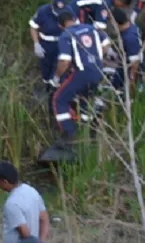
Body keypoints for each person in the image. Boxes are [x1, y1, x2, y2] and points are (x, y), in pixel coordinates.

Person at [41, 11, 111, 162]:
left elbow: (64, 62)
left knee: (59, 99)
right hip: (98, 71)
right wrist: (97, 58)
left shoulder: (65, 35)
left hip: (82, 73)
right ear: (75, 19)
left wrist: (56, 78)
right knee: (85, 100)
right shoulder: (91, 28)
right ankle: (87, 131)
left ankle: (68, 135)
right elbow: (106, 45)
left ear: (60, 25)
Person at [0, 161, 50, 243]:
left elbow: (25, 233)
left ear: (5, 182)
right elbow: (44, 219)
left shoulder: (11, 204)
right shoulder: (32, 191)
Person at [29, 0, 76, 90]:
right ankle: (46, 85)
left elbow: (76, 28)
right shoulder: (43, 11)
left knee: (60, 67)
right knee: (46, 68)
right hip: (46, 44)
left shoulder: (69, 11)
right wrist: (36, 44)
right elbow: (33, 27)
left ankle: (56, 89)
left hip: (63, 43)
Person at [109, 7, 144, 96]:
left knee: (117, 91)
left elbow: (135, 63)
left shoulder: (130, 38)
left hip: (130, 68)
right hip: (125, 62)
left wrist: (131, 82)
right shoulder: (132, 26)